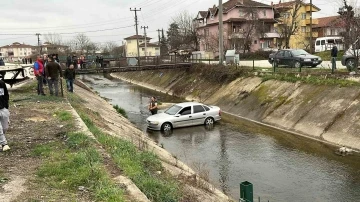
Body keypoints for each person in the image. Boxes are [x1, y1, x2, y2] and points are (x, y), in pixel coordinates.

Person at [0, 78, 10, 152]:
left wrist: (6, 106)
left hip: (3, 108)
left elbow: (6, 95)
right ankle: (4, 144)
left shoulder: (1, 83)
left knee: (5, 127)